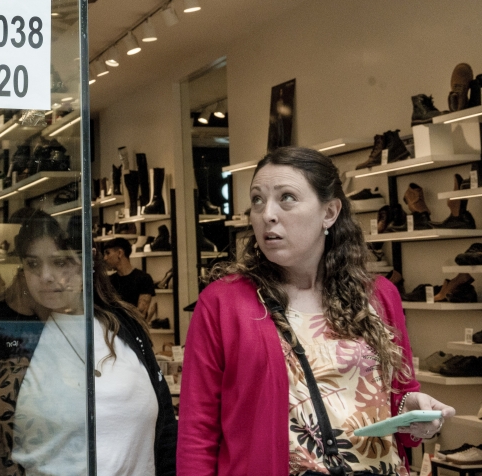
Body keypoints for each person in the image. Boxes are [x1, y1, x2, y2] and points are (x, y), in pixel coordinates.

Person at [177, 147, 454, 476]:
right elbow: (198, 432)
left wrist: (414, 411)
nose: (267, 214)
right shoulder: (223, 303)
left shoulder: (379, 296)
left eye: (287, 198)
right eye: (257, 200)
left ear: (330, 212)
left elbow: (398, 397)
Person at [0, 209, 176, 476]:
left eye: (60, 262)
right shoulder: (10, 334)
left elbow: (165, 428)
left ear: (87, 262)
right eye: (33, 264)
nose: (46, 276)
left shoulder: (122, 325)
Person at [102, 236, 156, 320]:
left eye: (108, 253)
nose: (105, 258)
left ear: (120, 253)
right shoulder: (109, 280)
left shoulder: (143, 279)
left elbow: (141, 313)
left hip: (133, 330)